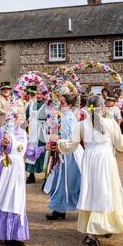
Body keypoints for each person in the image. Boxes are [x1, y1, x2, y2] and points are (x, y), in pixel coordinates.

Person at [53, 95, 123, 246]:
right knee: (105, 192)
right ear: (103, 108)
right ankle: (93, 233)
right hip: (105, 160)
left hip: (89, 160)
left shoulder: (81, 125)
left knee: (92, 193)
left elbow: (70, 145)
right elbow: (122, 145)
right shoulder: (110, 123)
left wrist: (57, 142)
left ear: (87, 108)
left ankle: (100, 227)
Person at [0, 108, 46, 246]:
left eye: (20, 114)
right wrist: (2, 143)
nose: (19, 116)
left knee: (15, 201)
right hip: (4, 170)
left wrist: (45, 148)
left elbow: (29, 152)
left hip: (18, 171)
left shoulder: (24, 134)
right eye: (16, 113)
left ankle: (11, 235)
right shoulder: (3, 131)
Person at [44, 89, 83, 221]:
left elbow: (71, 138)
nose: (61, 106)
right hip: (64, 150)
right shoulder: (65, 116)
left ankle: (61, 209)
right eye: (59, 103)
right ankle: (59, 208)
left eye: (63, 103)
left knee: (66, 180)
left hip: (68, 152)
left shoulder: (68, 118)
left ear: (70, 105)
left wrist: (58, 141)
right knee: (60, 180)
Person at [25, 89, 48, 184]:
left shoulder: (47, 105)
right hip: (33, 130)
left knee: (44, 152)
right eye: (37, 93)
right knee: (32, 151)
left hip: (43, 131)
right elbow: (26, 115)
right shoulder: (31, 105)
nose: (39, 95)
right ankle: (31, 175)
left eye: (41, 93)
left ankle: (46, 175)